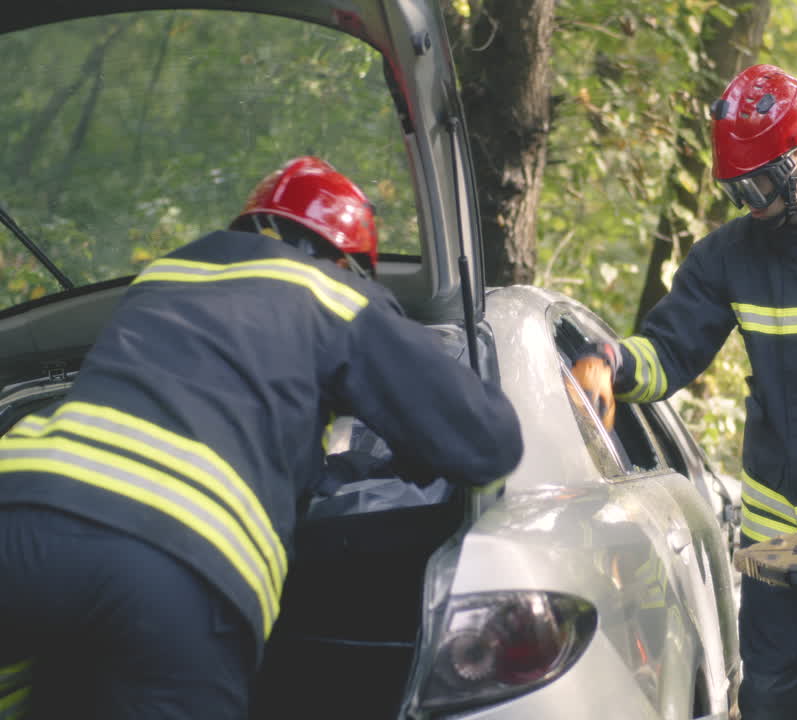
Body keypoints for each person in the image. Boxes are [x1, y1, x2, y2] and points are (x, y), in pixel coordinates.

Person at [0, 156, 524, 719]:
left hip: (23, 513)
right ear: (343, 260)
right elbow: (486, 441)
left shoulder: (166, 278)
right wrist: (413, 455)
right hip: (180, 560)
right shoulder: (335, 293)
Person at [571, 64, 797, 720]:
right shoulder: (727, 257)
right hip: (778, 520)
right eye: (735, 188)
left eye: (759, 183)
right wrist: (610, 362)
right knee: (767, 694)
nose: (750, 202)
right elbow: (672, 351)